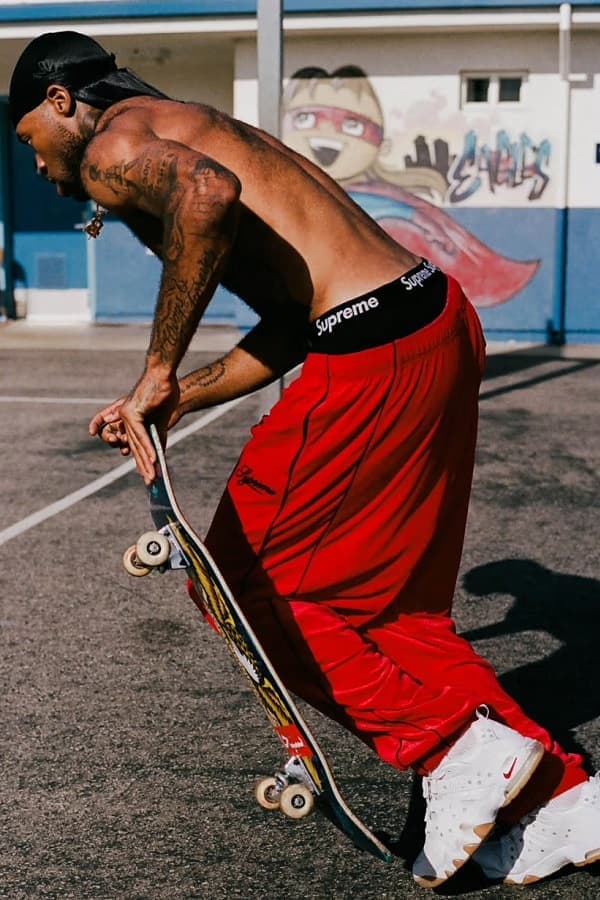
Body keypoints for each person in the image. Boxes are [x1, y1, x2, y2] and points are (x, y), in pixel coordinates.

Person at [10, 31, 599, 888]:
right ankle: (561, 799)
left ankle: (456, 748)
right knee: (394, 613)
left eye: (26, 135)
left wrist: (158, 367)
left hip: (371, 352)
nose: (33, 162)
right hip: (434, 317)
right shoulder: (191, 122)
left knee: (241, 585)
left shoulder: (114, 143)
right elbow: (290, 321)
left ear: (60, 101)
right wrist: (181, 397)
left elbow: (205, 196)